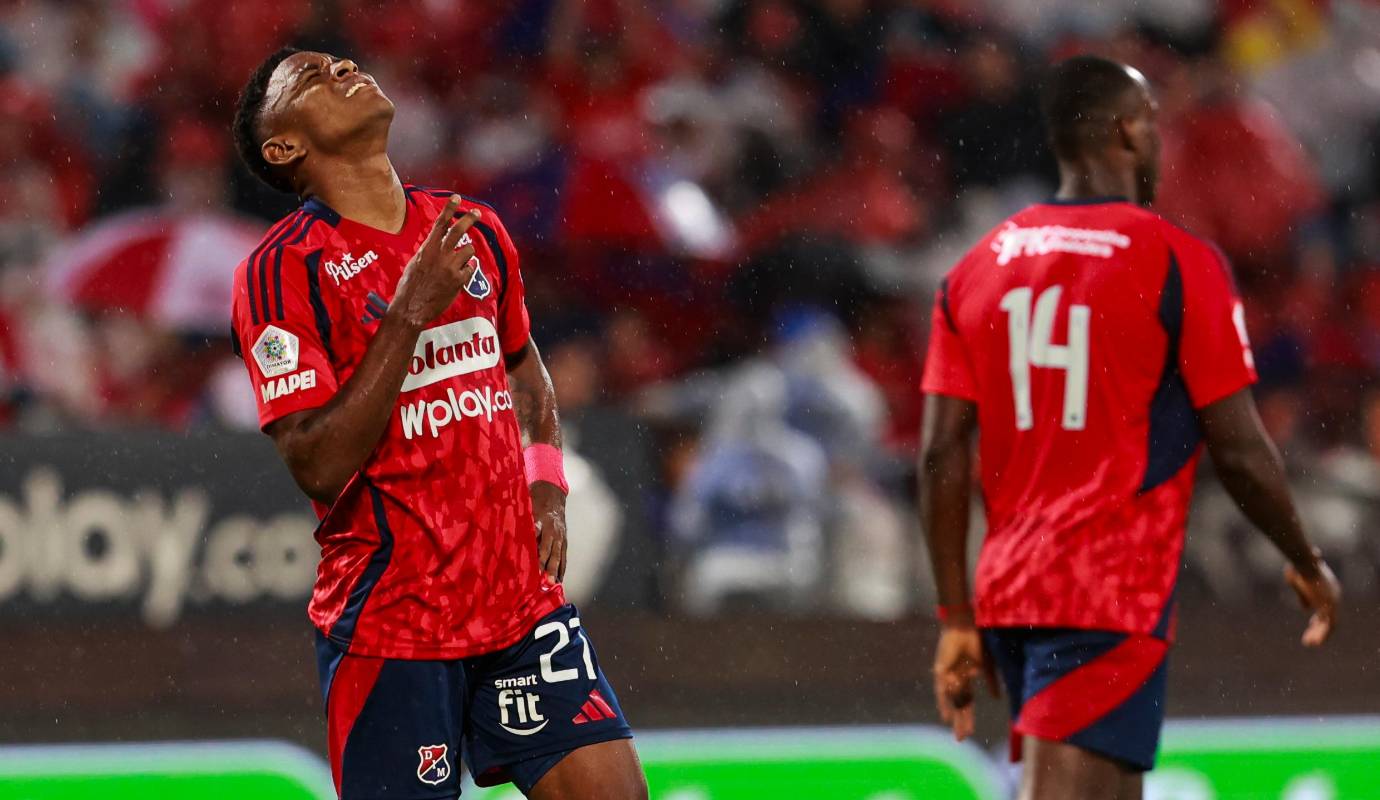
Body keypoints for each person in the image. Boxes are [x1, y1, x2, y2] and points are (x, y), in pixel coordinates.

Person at [918, 55, 1341, 800]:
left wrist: (957, 614)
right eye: (1152, 121)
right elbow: (1238, 449)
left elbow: (939, 454)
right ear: (1125, 131)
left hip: (1009, 590)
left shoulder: (978, 265)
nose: (1162, 140)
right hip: (1104, 587)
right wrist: (1304, 558)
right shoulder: (1178, 261)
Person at [228, 47, 646, 800]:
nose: (341, 65)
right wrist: (410, 312)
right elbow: (315, 463)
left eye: (339, 59)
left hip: (519, 605)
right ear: (283, 146)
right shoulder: (285, 270)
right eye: (310, 74)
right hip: (395, 624)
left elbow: (524, 367)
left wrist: (545, 481)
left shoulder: (472, 227)